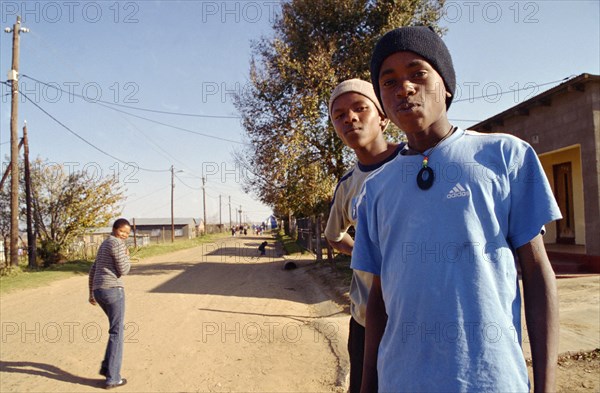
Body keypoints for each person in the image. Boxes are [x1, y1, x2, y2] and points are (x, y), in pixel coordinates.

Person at [352, 26, 562, 393]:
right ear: (383, 101)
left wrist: (546, 387)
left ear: (446, 84)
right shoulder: (375, 191)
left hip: (490, 381)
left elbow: (537, 271)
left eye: (418, 74)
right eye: (389, 81)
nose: (405, 88)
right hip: (401, 382)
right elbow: (378, 302)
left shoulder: (505, 157)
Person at [324, 78, 402, 393]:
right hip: (365, 319)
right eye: (339, 115)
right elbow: (334, 235)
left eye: (360, 108)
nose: (350, 118)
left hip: (413, 317)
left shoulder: (416, 163)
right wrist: (362, 253)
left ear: (383, 116)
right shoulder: (347, 186)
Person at [88, 218, 132, 389]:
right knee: (117, 332)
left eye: (127, 233)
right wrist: (127, 257)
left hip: (100, 291)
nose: (124, 235)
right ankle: (113, 378)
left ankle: (107, 367)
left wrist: (91, 293)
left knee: (115, 329)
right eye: (122, 231)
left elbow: (93, 269)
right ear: (115, 229)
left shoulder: (104, 244)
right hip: (113, 290)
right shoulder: (117, 244)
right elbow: (124, 270)